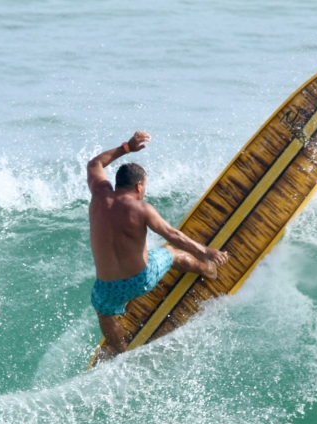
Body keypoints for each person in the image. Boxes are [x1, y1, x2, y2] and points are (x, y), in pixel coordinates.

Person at [87, 131, 229, 358]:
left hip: (108, 288)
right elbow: (173, 235)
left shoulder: (99, 195)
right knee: (171, 252)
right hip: (141, 280)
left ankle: (120, 351)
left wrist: (126, 148)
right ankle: (208, 270)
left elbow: (95, 163)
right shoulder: (141, 209)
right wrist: (206, 251)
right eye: (144, 188)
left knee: (104, 313)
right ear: (138, 187)